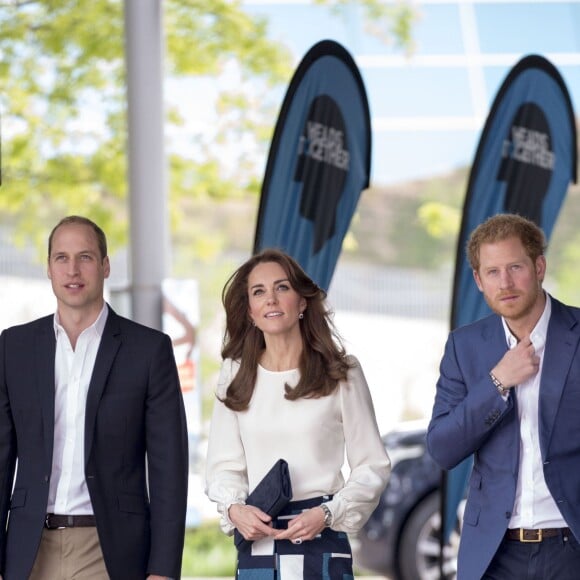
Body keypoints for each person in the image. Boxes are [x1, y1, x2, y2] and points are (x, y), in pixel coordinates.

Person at [0, 216, 189, 580]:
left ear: (105, 266)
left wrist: (163, 570)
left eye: (85, 257)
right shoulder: (14, 347)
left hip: (110, 551)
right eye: (61, 257)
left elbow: (169, 468)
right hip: (28, 549)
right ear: (49, 268)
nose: (73, 269)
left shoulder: (149, 350)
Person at [205, 248, 390, 579]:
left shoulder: (341, 372)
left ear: (302, 302)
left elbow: (372, 465)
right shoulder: (234, 373)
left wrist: (327, 513)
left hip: (321, 535)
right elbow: (223, 467)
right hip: (258, 541)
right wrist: (234, 510)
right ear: (249, 311)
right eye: (258, 292)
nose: (271, 300)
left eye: (282, 288)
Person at [427, 214, 580, 580]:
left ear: (539, 266)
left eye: (515, 267)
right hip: (494, 554)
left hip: (570, 546)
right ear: (478, 281)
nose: (505, 282)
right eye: (492, 272)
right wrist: (498, 381)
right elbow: (442, 449)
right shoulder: (464, 347)